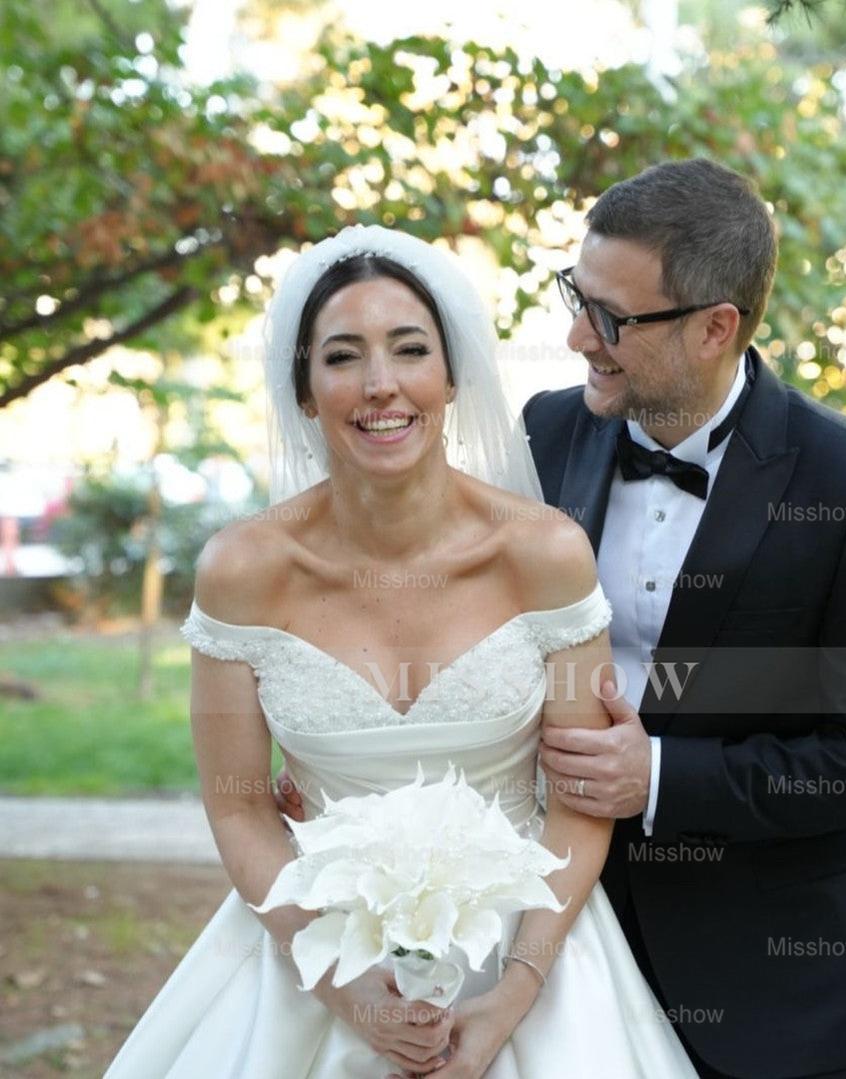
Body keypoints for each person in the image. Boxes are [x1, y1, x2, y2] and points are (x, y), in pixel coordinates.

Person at [283, 159, 846, 1077]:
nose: (574, 335)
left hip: (776, 996)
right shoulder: (541, 437)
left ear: (716, 327)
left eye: (612, 318)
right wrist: (342, 768)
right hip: (557, 970)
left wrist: (664, 774)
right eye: (576, 295)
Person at [105, 225, 697, 1078]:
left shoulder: (544, 553)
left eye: (409, 349)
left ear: (451, 376)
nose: (380, 386)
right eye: (342, 357)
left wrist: (513, 996)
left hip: (528, 961)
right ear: (305, 390)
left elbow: (578, 799)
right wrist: (353, 993)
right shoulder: (242, 569)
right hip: (309, 954)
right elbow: (239, 809)